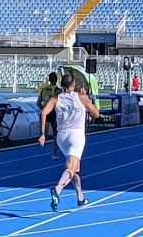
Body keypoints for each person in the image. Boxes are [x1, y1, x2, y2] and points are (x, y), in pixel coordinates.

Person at [38, 74, 100, 212]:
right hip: (76, 135)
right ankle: (58, 189)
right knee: (71, 168)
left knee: (75, 169)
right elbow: (96, 114)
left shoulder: (56, 99)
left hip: (61, 137)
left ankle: (80, 197)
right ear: (74, 85)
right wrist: (88, 100)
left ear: (62, 85)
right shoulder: (81, 97)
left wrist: (42, 134)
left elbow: (43, 113)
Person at [37, 72, 62, 160]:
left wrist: (43, 109)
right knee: (55, 134)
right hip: (54, 113)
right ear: (56, 80)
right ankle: (54, 153)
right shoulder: (57, 90)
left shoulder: (44, 90)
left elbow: (38, 102)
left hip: (46, 113)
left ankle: (41, 138)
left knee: (45, 133)